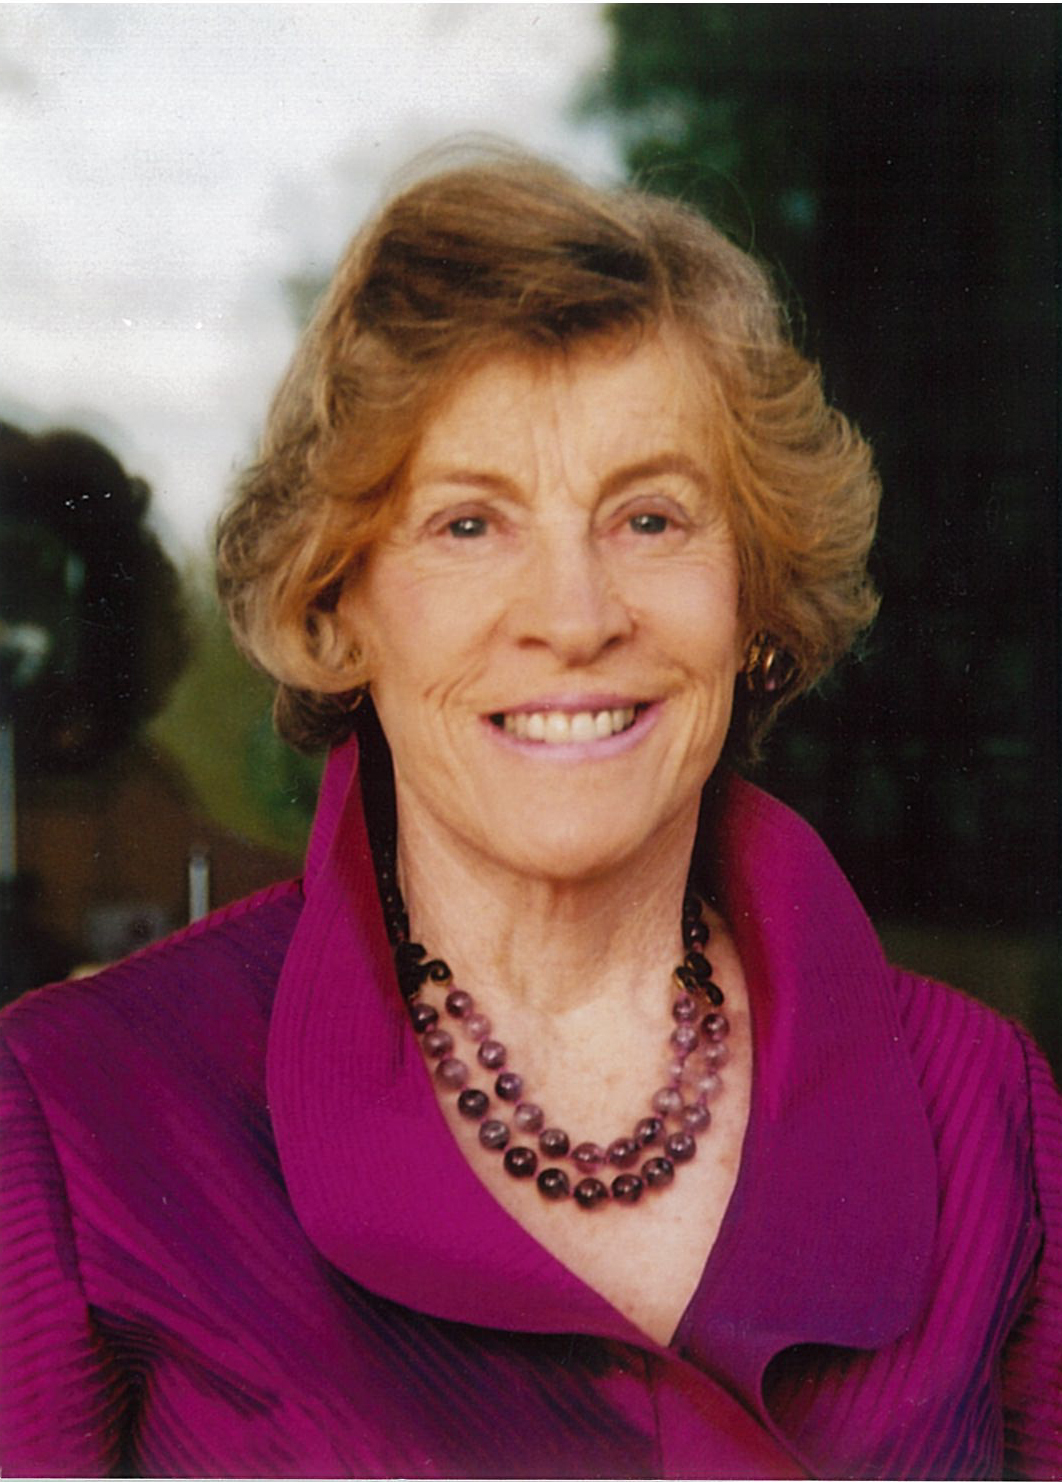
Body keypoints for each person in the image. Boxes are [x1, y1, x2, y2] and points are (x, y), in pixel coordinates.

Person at [1, 149, 1059, 1481]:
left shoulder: (986, 1109)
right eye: (468, 525)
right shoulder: (82, 1113)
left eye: (650, 518)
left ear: (753, 596)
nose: (574, 615)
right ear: (340, 604)